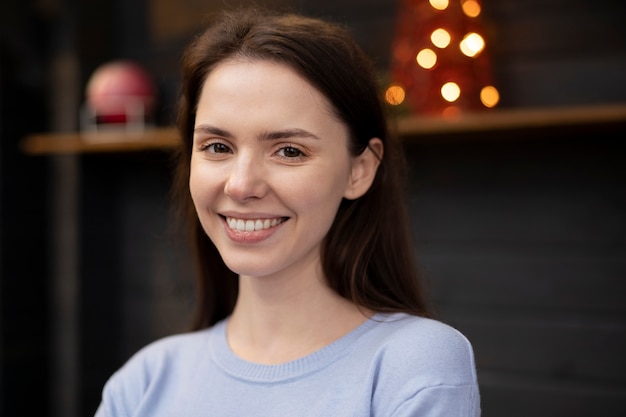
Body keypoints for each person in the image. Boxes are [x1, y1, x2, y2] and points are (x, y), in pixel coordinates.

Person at [95, 8, 480, 417]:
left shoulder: (413, 364)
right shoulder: (142, 383)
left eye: (289, 151)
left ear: (360, 169)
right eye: (218, 147)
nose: (241, 185)